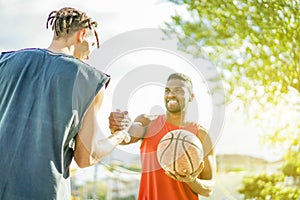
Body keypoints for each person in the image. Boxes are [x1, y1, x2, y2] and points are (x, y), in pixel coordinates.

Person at [0, 7, 129, 200]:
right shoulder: (89, 79)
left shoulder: (5, 61)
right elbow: (87, 156)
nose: (89, 54)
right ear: (82, 34)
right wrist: (119, 135)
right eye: (92, 44)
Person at [109, 73, 216, 199]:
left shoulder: (201, 135)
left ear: (191, 97)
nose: (171, 95)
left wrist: (192, 181)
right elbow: (130, 133)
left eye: (178, 90)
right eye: (167, 90)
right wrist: (121, 127)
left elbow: (209, 188)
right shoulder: (148, 122)